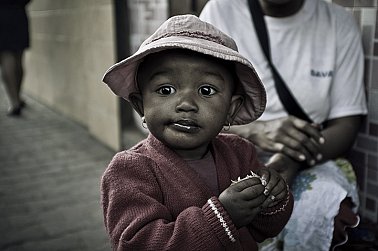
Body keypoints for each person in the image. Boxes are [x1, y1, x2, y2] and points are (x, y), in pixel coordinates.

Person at [100, 14, 294, 250]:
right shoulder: (130, 170)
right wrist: (223, 217)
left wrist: (273, 198)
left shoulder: (240, 153)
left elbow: (264, 229)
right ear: (141, 105)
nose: (186, 104)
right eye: (166, 89)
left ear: (231, 110)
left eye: (206, 90)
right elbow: (137, 244)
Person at [200, 0, 368, 250]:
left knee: (321, 206)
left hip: (310, 155)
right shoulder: (220, 11)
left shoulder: (337, 22)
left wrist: (293, 159)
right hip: (226, 150)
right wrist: (255, 130)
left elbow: (347, 123)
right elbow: (197, 107)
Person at [0, 0, 31, 116]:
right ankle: (17, 96)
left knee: (6, 58)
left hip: (2, 15)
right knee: (18, 59)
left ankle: (14, 102)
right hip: (18, 14)